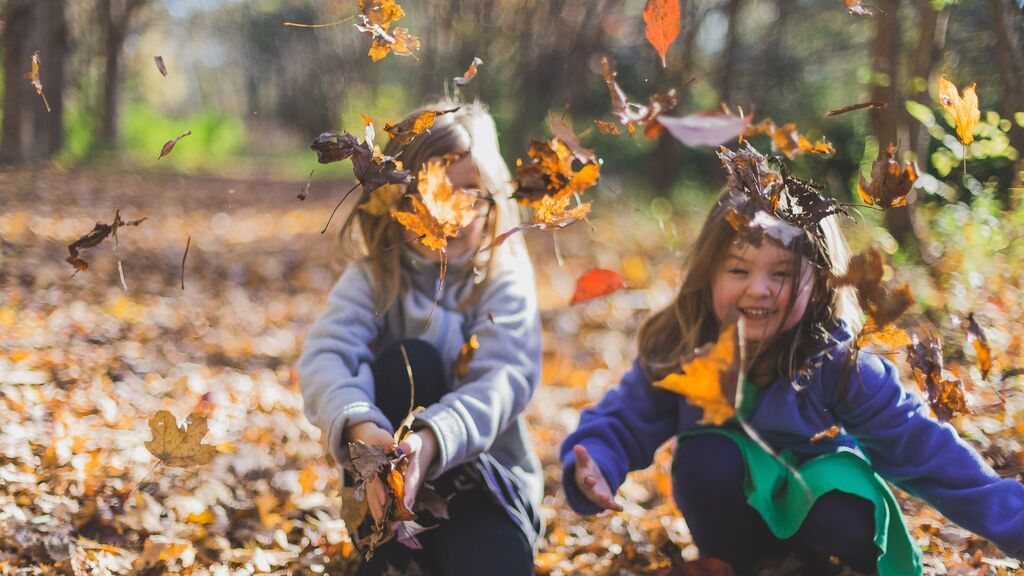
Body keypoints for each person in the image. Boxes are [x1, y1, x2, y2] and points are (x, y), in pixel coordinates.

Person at [560, 147, 1024, 576]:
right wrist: (597, 462)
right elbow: (626, 418)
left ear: (819, 285)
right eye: (738, 269)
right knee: (707, 455)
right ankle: (743, 566)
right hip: (737, 527)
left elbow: (928, 454)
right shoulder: (684, 348)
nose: (758, 289)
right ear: (710, 273)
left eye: (781, 274)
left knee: (835, 490)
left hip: (831, 525)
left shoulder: (841, 365)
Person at [299, 101, 542, 575]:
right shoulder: (375, 278)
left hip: (485, 491)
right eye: (431, 194)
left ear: (492, 199)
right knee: (409, 360)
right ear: (395, 201)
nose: (451, 215)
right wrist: (364, 434)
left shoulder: (501, 282)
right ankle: (389, 548)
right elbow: (326, 356)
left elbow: (504, 380)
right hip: (385, 494)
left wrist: (431, 441)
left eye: (469, 195)